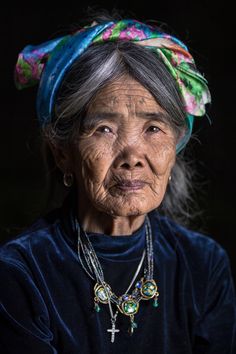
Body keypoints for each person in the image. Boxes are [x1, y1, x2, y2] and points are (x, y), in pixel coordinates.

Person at [0, 10, 235, 354]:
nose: (133, 155)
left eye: (153, 128)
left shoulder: (204, 266)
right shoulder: (20, 273)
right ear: (63, 152)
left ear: (174, 148)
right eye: (104, 129)